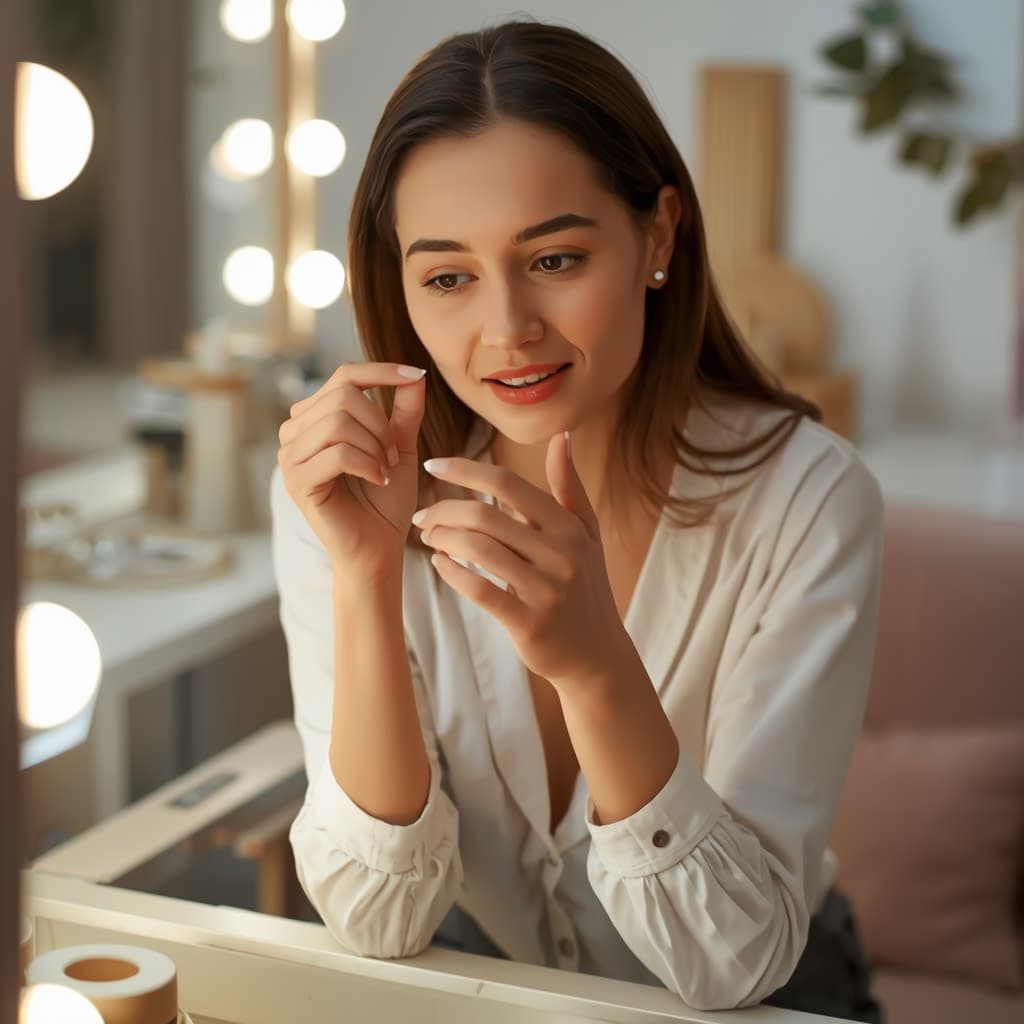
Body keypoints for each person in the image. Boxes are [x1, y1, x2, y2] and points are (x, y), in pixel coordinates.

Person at [272, 20, 884, 1022]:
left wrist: (596, 665)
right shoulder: (343, 488)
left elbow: (736, 961)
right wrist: (366, 579)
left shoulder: (810, 503)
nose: (506, 326)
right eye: (447, 276)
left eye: (553, 259)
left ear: (656, 236)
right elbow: (376, 918)